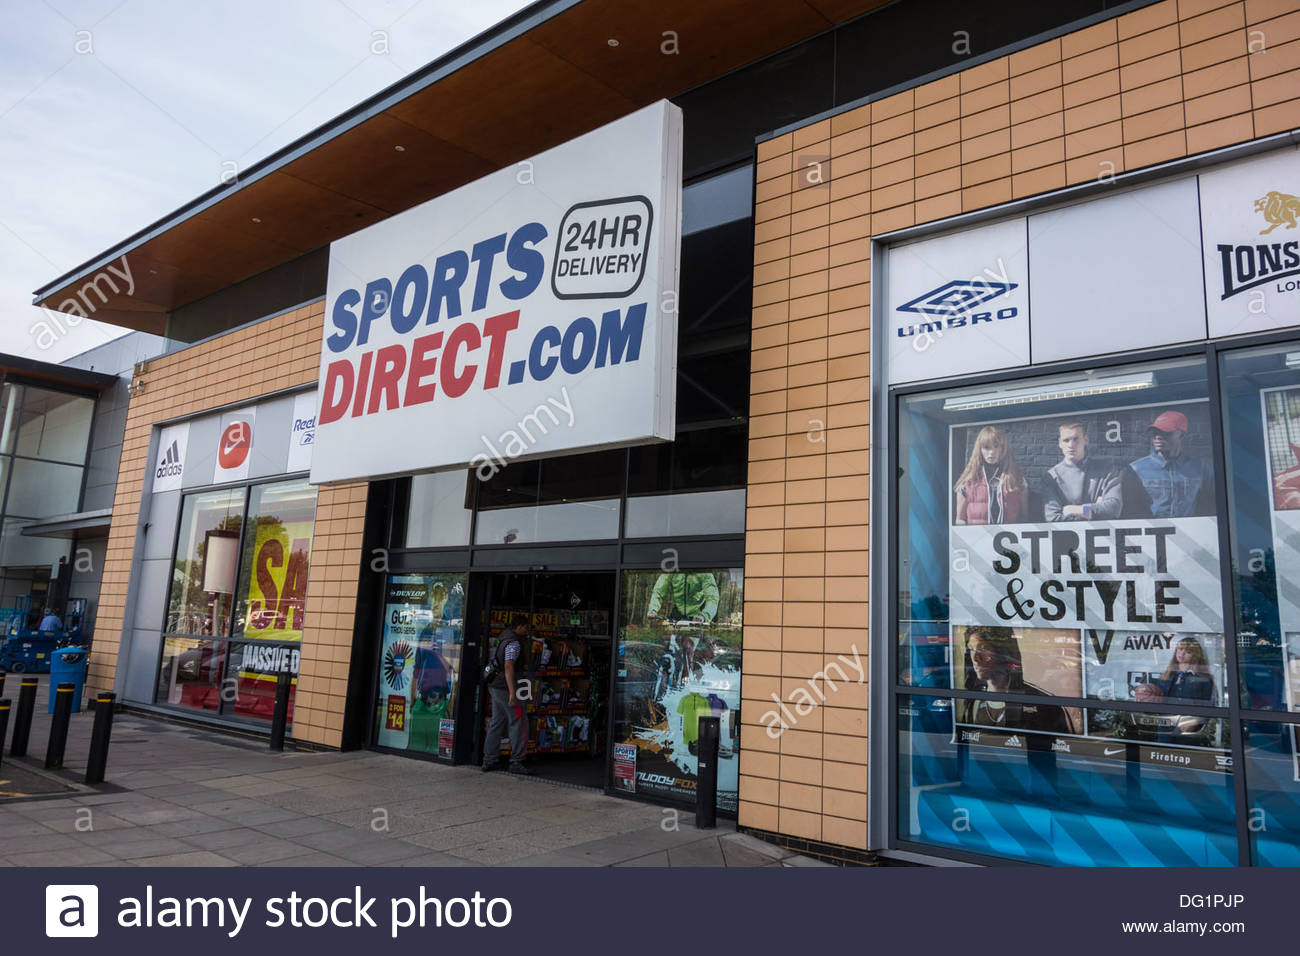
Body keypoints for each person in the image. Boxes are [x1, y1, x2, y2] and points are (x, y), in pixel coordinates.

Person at [961, 626, 1073, 734]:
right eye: (971, 649)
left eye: (983, 648)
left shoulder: (1042, 705)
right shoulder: (974, 704)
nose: (975, 658)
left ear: (1003, 652)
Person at [1128, 410, 1215, 518]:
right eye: (1155, 433)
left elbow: (1212, 505)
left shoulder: (1201, 469)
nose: (1158, 437)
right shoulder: (1136, 469)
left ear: (1181, 435)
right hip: (1154, 533)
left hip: (1191, 532)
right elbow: (1131, 511)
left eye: (1165, 432)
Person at [1043, 421, 1123, 521]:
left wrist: (1076, 510)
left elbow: (1113, 509)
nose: (1071, 445)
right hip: (1070, 536)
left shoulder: (1106, 470)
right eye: (1066, 440)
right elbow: (1053, 518)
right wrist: (1094, 510)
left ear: (1086, 440)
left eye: (1076, 439)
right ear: (1060, 443)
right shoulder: (1052, 476)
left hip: (1104, 536)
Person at [482, 613, 532, 774]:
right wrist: (513, 693)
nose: (527, 630)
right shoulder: (514, 643)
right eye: (526, 627)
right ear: (520, 626)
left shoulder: (503, 638)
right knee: (518, 721)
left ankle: (489, 759)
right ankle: (516, 761)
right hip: (507, 688)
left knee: (497, 722)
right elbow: (509, 666)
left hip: (496, 686)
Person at [954, 425, 1027, 525]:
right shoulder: (968, 481)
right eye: (986, 447)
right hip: (976, 539)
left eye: (996, 446)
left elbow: (1025, 517)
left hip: (1009, 539)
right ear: (980, 450)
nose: (991, 452)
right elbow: (960, 520)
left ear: (1003, 449)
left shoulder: (1017, 478)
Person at [1134, 636, 1217, 703]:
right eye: (1180, 649)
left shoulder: (1203, 679)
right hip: (1166, 719)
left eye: (1188, 652)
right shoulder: (1166, 675)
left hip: (1189, 721)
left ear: (1195, 655)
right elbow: (1158, 700)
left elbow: (1207, 706)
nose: (1182, 654)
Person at [646, 571, 719, 623]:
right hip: (677, 612)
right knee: (666, 641)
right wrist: (653, 609)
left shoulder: (704, 572)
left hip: (698, 615)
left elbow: (712, 598)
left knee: (693, 643)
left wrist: (704, 616)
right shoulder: (672, 569)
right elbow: (658, 591)